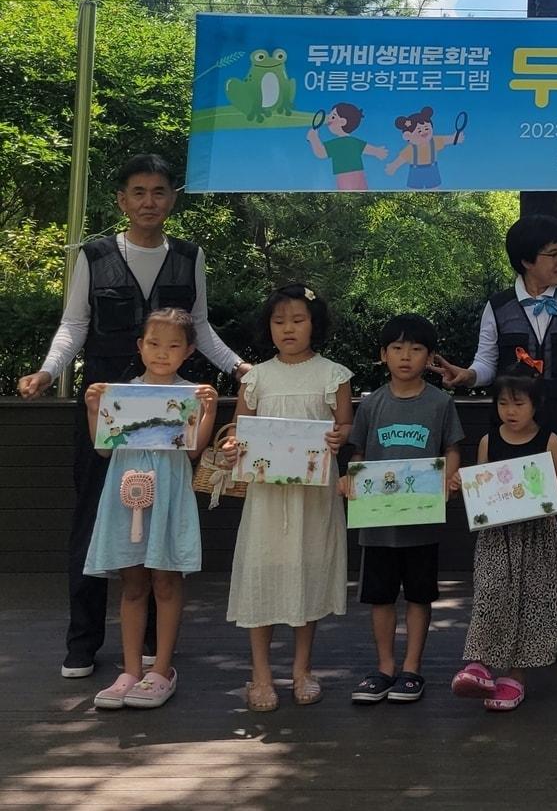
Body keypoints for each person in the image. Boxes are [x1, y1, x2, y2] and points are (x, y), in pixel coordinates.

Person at [17, 153, 250, 681]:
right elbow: (73, 325)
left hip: (170, 410)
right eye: (138, 192)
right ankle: (82, 642)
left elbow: (203, 328)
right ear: (122, 200)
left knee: (158, 513)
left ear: (172, 199)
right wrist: (49, 373)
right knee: (96, 517)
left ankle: (149, 645)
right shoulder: (93, 255)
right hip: (108, 407)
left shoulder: (190, 256)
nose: (149, 201)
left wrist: (241, 367)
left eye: (159, 191)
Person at [431, 215, 557, 601]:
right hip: (511, 433)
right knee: (508, 525)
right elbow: (487, 363)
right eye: (553, 254)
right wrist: (466, 376)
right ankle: (512, 615)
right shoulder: (498, 306)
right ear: (527, 261)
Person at [222, 284, 352, 712]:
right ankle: (260, 675)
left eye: (298, 320)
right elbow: (239, 429)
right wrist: (232, 445)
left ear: (315, 324)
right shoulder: (256, 376)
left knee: (307, 572)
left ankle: (302, 669)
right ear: (268, 328)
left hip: (312, 497)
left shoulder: (334, 374)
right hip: (266, 497)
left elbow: (346, 427)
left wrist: (339, 437)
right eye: (279, 322)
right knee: (261, 571)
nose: (288, 329)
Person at [83, 309, 218, 709]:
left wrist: (208, 412)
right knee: (133, 581)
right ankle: (130, 670)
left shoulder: (191, 395)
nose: (163, 353)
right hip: (124, 493)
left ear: (189, 351)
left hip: (170, 493)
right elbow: (104, 448)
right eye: (154, 344)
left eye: (174, 345)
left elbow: (193, 450)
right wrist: (94, 411)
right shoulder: (120, 395)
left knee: (166, 578)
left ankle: (161, 669)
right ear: (140, 346)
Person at [341, 315, 463, 705]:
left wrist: (452, 477)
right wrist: (348, 480)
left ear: (429, 357)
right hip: (376, 523)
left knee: (419, 596)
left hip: (421, 523)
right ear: (383, 355)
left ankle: (412, 669)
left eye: (415, 349)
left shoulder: (441, 402)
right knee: (379, 597)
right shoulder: (372, 404)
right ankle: (384, 668)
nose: (405, 356)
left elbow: (452, 448)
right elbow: (357, 454)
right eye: (396, 348)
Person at [451, 363, 557, 712]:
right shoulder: (490, 440)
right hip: (496, 536)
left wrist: (547, 500)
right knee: (490, 592)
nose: (510, 411)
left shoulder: (549, 440)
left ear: (536, 404)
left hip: (536, 536)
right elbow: (482, 485)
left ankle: (515, 677)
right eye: (503, 403)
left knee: (527, 602)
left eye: (519, 403)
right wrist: (465, 483)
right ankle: (479, 663)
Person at [306, 102, 388, 191]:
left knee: (346, 191)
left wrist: (313, 138)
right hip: (359, 174)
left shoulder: (336, 143)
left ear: (342, 122)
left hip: (344, 175)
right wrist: (377, 151)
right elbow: (367, 148)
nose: (328, 119)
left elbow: (321, 153)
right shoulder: (353, 141)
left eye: (333, 117)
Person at [384, 106, 456, 189]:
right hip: (416, 172)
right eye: (419, 131)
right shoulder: (410, 149)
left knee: (434, 188)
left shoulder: (434, 141)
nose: (424, 132)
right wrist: (393, 166)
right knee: (415, 189)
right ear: (407, 135)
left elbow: (446, 140)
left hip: (432, 170)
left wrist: (455, 138)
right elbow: (401, 159)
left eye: (426, 128)